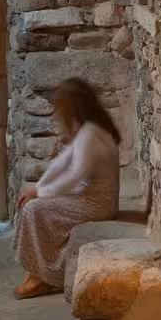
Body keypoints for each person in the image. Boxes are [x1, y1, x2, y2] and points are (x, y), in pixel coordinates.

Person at [12, 76, 121, 298]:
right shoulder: (87, 130)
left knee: (35, 210)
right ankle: (38, 272)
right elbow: (61, 163)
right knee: (35, 206)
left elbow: (73, 175)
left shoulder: (91, 134)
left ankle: (46, 277)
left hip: (97, 203)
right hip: (88, 196)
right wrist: (38, 188)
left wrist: (40, 192)